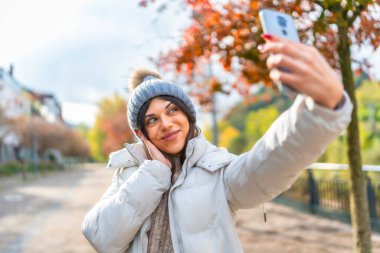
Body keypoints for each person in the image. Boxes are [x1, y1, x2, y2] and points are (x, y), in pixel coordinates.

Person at [82, 34, 353, 253]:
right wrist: (155, 173)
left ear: (188, 115)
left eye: (172, 110)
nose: (165, 123)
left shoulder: (218, 171)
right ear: (142, 134)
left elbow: (267, 163)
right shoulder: (132, 174)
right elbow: (102, 237)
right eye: (152, 119)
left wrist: (321, 111)